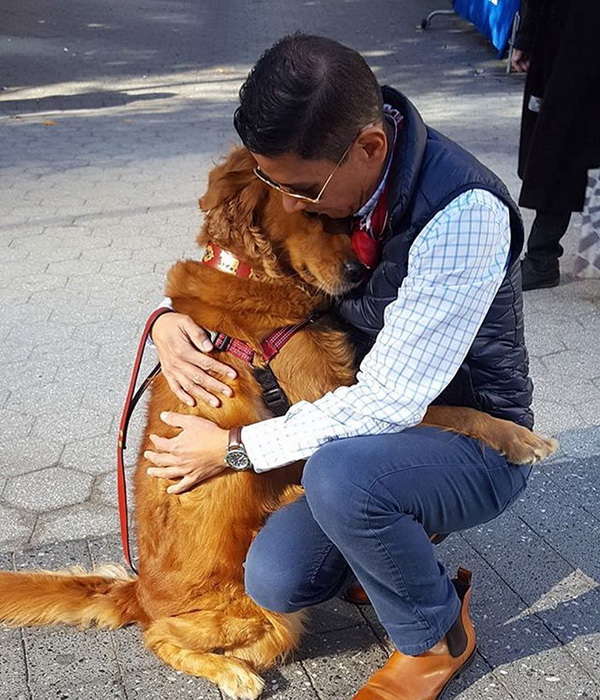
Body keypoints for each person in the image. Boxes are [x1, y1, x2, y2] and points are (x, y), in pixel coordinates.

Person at [146, 34, 534, 700]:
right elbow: (243, 254)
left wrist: (235, 450)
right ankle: (381, 543)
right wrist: (168, 317)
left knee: (344, 474)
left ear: (371, 148)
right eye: (272, 182)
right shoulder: (326, 177)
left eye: (300, 188)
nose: (289, 204)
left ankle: (437, 635)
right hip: (365, 429)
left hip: (472, 439)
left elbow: (384, 404)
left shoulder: (463, 213)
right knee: (275, 581)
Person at [512, 0, 600, 290]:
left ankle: (558, 254)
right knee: (563, 136)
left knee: (565, 138)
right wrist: (527, 36)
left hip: (572, 30)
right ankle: (548, 254)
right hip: (570, 32)